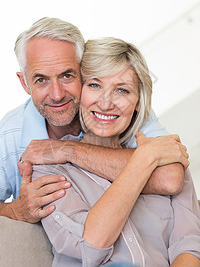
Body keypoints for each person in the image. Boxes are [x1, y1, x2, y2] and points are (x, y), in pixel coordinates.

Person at [32, 37, 200, 266]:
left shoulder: (168, 157)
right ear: (80, 92)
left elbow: (189, 245)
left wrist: (149, 155)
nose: (106, 103)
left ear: (139, 101)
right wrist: (144, 158)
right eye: (94, 85)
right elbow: (91, 244)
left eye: (122, 90)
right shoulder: (49, 166)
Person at [0, 17, 186, 223]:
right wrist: (15, 210)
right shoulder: (10, 133)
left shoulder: (118, 108)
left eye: (67, 75)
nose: (57, 94)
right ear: (24, 83)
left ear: (83, 71)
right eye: (41, 80)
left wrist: (67, 150)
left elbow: (169, 177)